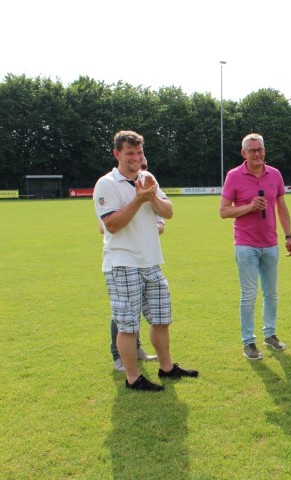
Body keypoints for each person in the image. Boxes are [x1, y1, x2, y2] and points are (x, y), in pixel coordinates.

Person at [94, 130, 198, 392]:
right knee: (128, 325)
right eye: (129, 153)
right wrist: (139, 199)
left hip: (151, 261)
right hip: (122, 263)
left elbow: (168, 212)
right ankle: (133, 378)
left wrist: (151, 196)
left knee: (161, 319)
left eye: (139, 152)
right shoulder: (106, 184)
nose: (136, 158)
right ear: (117, 154)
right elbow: (111, 225)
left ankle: (166, 367)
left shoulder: (148, 179)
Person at [220, 133, 291, 361]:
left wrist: (289, 236)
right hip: (246, 244)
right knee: (249, 295)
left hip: (270, 243)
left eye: (260, 149)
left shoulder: (275, 174)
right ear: (243, 153)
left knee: (271, 293)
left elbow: (281, 207)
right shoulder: (234, 176)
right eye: (252, 150)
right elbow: (223, 211)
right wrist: (249, 207)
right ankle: (248, 342)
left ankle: (270, 334)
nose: (257, 154)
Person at [102, 156, 162, 372]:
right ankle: (118, 356)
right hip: (122, 259)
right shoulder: (110, 186)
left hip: (145, 258)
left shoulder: (147, 184)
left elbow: (161, 218)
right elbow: (105, 226)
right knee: (123, 317)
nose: (141, 170)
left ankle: (136, 350)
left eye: (144, 166)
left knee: (137, 314)